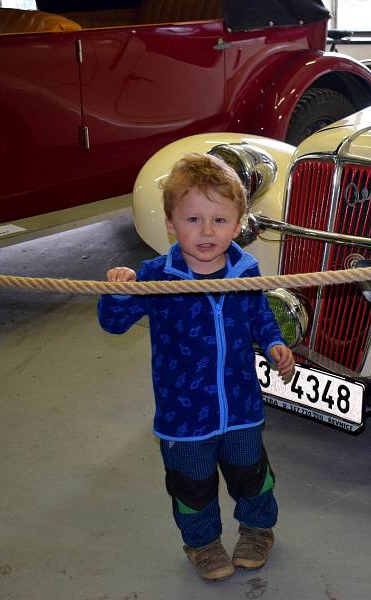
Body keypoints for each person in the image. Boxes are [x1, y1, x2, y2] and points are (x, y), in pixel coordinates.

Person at [98, 153, 295, 581]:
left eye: (220, 221)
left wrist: (275, 341)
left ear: (239, 222)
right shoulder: (156, 276)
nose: (207, 232)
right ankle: (203, 544)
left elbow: (259, 314)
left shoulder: (245, 271)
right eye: (192, 219)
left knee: (251, 472)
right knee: (191, 484)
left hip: (241, 406)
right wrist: (117, 292)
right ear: (170, 223)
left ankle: (258, 530)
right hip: (183, 416)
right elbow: (114, 325)